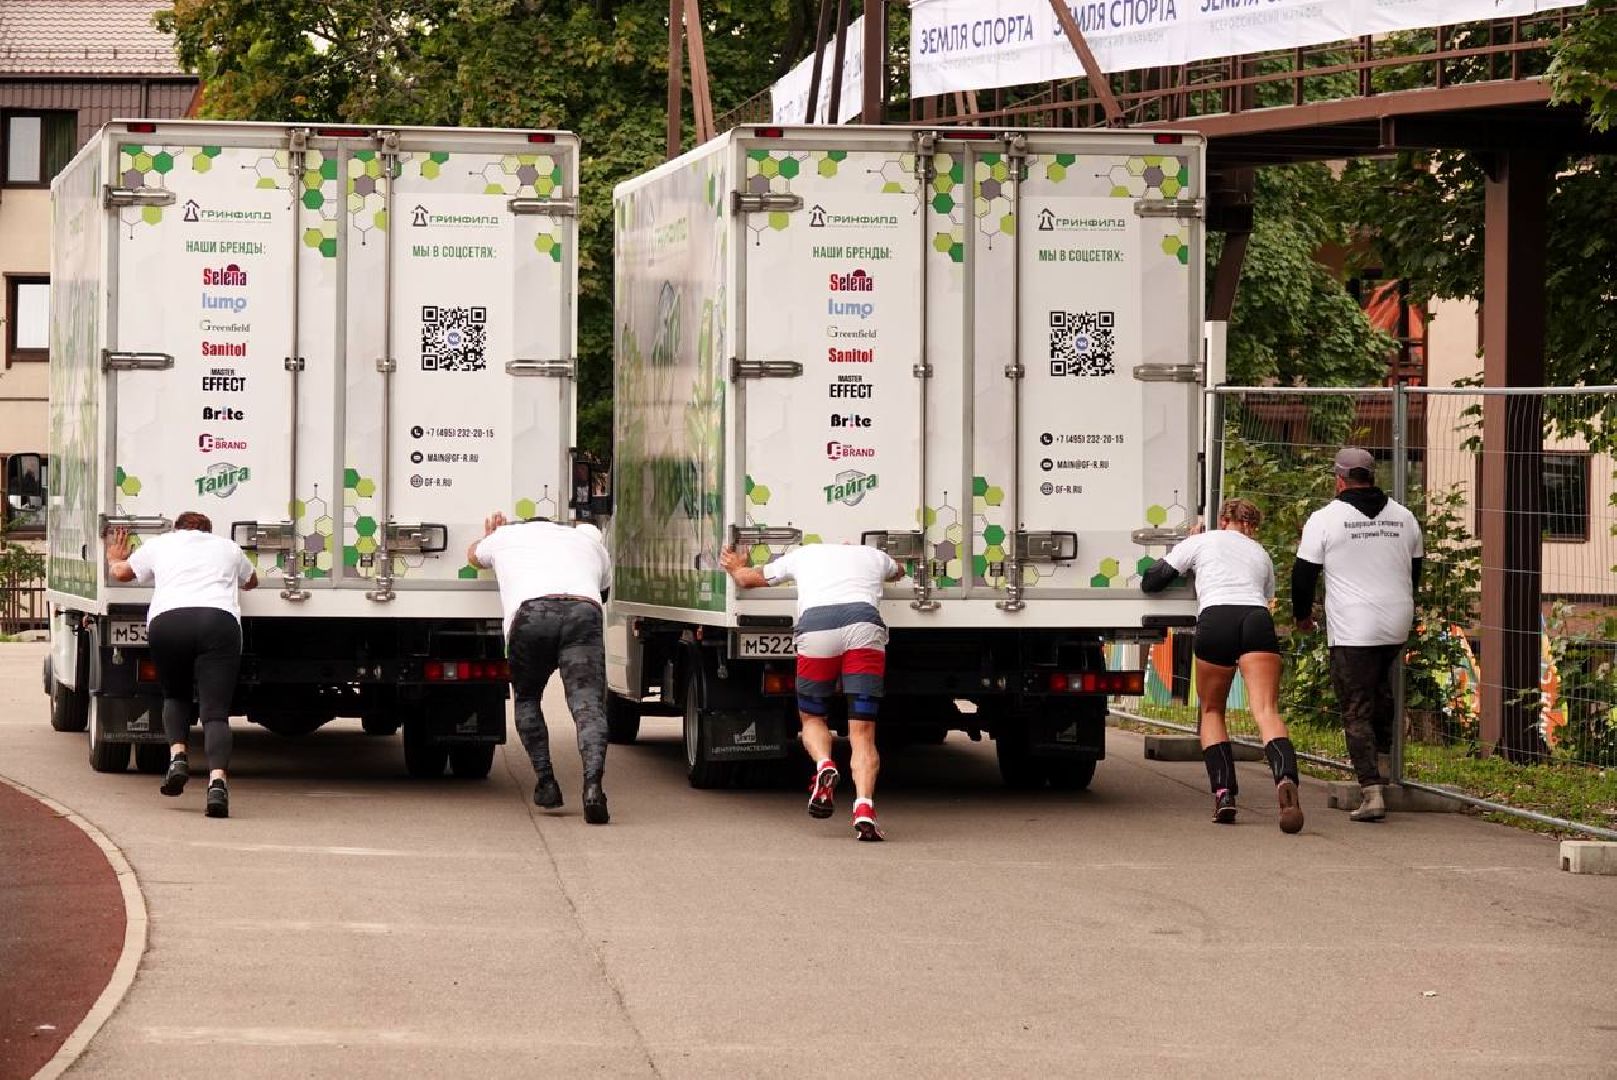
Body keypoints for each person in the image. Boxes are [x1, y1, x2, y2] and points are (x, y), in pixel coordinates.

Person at [719, 541, 904, 841]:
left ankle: (824, 764)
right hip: (864, 627)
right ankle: (864, 807)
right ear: (850, 546)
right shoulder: (873, 555)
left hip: (817, 629)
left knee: (813, 718)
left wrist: (735, 566)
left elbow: (747, 580)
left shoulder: (803, 555)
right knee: (863, 733)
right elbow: (900, 571)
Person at [1141, 498, 1304, 833]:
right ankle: (1285, 778)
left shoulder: (1202, 541)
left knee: (1213, 711)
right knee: (1266, 710)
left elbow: (1152, 581)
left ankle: (1224, 792)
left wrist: (1188, 544)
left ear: (1222, 520)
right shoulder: (1260, 553)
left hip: (1217, 617)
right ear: (1251, 526)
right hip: (1256, 618)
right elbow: (1267, 596)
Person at [1292, 447, 1424, 823]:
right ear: (1372, 476)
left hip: (1354, 626)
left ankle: (1371, 791)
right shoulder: (1404, 516)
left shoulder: (1325, 519)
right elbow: (1415, 570)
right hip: (1396, 620)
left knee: (1356, 705)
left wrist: (1302, 616)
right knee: (1381, 693)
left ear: (1340, 480)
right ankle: (1382, 768)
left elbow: (1303, 576)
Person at [104, 512, 257, 819]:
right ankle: (217, 785)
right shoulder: (227, 547)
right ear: (208, 531)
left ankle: (178, 757)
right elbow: (252, 581)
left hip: (169, 623)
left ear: (177, 529)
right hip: (218, 623)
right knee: (215, 713)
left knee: (175, 695)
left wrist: (114, 557)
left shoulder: (160, 543)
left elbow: (121, 573)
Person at [469, 513, 613, 824]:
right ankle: (593, 788)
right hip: (583, 611)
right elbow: (603, 590)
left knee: (528, 698)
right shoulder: (586, 540)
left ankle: (547, 783)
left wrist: (488, 536)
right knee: (588, 706)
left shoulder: (505, 536)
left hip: (533, 613)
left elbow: (473, 557)